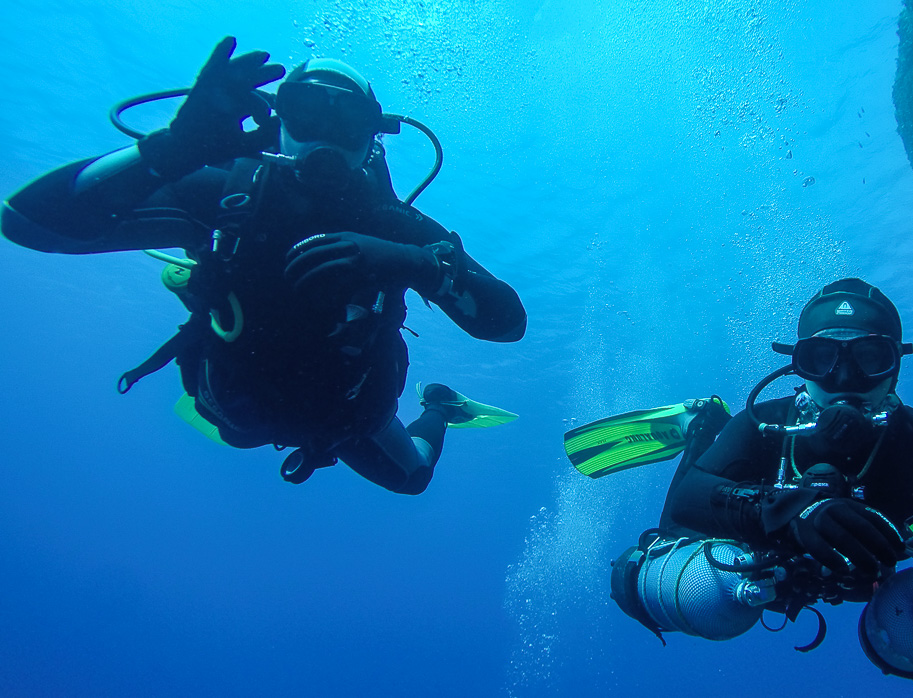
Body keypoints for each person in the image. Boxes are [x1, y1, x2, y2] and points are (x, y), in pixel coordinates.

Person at [1, 37, 526, 494]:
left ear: (372, 137)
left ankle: (437, 406)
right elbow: (26, 222)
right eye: (307, 113)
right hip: (236, 407)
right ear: (279, 121)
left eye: (346, 123)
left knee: (413, 478)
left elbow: (507, 325)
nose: (324, 136)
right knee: (241, 430)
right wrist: (168, 151)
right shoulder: (228, 194)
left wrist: (418, 264)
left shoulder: (397, 225)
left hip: (352, 418)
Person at [575, 278, 913, 683]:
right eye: (823, 359)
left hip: (860, 572)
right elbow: (686, 505)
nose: (844, 381)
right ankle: (702, 425)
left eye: (869, 358)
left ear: (894, 368)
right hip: (756, 557)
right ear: (799, 368)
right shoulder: (766, 426)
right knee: (682, 592)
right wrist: (782, 511)